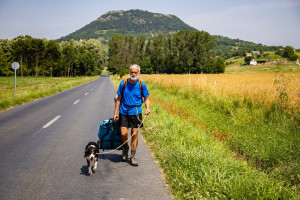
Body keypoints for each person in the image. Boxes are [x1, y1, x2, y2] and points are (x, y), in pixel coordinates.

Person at [113, 64, 150, 166]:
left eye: (135, 72)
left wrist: (147, 108)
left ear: (138, 73)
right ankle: (125, 149)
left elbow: (146, 99)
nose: (133, 74)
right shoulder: (123, 83)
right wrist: (115, 113)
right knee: (123, 133)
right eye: (132, 72)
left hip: (136, 112)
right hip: (124, 111)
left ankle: (132, 156)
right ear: (129, 73)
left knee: (134, 134)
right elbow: (118, 99)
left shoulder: (142, 84)